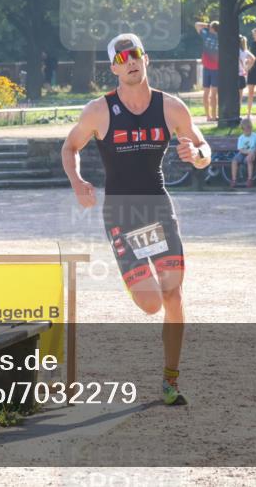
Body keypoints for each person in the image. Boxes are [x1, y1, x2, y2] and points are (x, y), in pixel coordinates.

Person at [62, 33, 210, 406]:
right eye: (123, 57)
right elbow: (70, 146)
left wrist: (197, 154)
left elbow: (203, 147)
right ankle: (136, 274)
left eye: (137, 54)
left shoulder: (171, 107)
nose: (131, 62)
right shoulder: (99, 110)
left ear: (146, 59)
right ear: (113, 66)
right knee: (150, 304)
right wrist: (78, 180)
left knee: (174, 295)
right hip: (122, 213)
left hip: (157, 207)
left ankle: (169, 380)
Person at [194, 20, 219, 122]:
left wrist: (208, 25)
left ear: (212, 28)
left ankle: (208, 116)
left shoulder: (206, 35)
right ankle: (214, 116)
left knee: (206, 92)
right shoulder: (221, 38)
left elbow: (197, 25)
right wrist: (212, 26)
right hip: (216, 68)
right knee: (214, 93)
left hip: (206, 68)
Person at [231, 117, 256, 188]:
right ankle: (234, 179)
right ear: (242, 129)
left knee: (249, 160)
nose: (248, 131)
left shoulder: (255, 136)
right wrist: (248, 152)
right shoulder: (241, 138)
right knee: (234, 161)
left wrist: (254, 152)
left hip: (252, 153)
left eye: (249, 129)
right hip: (243, 153)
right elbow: (240, 149)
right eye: (246, 129)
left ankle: (250, 179)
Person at [237, 35, 255, 106]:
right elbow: (253, 58)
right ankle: (238, 110)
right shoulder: (245, 51)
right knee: (240, 94)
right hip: (242, 74)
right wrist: (247, 68)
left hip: (234, 74)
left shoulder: (235, 50)